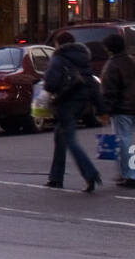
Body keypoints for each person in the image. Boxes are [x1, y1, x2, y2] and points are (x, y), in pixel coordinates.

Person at [43, 31, 104, 192]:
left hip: (65, 101)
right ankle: (55, 177)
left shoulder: (59, 57)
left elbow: (50, 83)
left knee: (69, 139)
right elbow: (91, 83)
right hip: (81, 102)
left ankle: (90, 173)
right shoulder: (83, 57)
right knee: (60, 135)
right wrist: (101, 107)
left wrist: (48, 91)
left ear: (58, 44)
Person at [100, 32, 135, 189]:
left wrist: (105, 110)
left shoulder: (113, 65)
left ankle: (132, 176)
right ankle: (127, 174)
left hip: (123, 108)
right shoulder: (130, 61)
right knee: (128, 140)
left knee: (124, 142)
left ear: (110, 48)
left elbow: (110, 91)